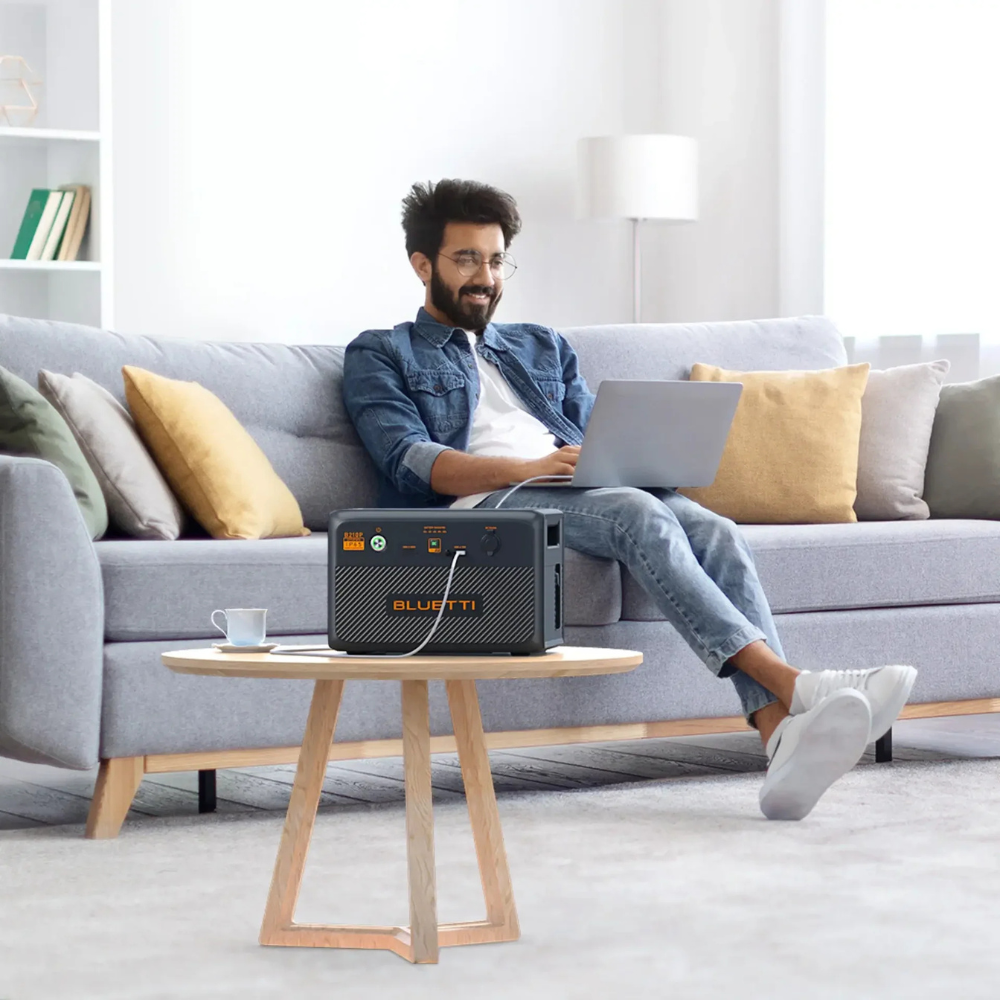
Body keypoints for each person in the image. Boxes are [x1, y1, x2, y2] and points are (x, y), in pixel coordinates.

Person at [342, 178, 916, 820]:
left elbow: (595, 437)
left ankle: (780, 738)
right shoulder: (381, 352)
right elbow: (411, 460)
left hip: (577, 487)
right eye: (466, 259)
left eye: (496, 259)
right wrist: (529, 467)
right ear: (423, 265)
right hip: (481, 508)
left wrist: (632, 456)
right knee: (638, 512)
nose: (486, 276)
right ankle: (798, 684)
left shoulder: (541, 345)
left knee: (715, 529)